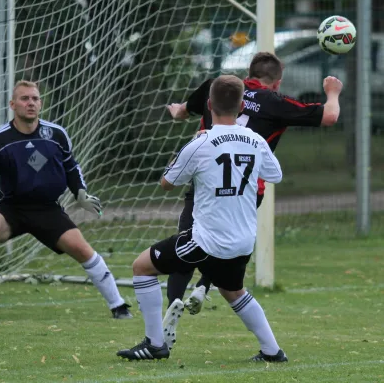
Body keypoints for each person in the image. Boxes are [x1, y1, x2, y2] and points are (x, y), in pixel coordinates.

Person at [164, 52, 343, 344]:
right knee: (227, 252)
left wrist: (176, 110)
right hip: (246, 192)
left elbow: (182, 112)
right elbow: (330, 116)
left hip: (204, 184)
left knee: (187, 240)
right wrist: (332, 92)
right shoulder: (276, 102)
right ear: (276, 82)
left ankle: (177, 299)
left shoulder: (218, 88)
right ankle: (206, 285)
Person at [0, 80, 132, 320]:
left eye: (35, 98)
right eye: (24, 99)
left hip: (48, 210)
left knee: (82, 248)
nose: (30, 103)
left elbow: (71, 167)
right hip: (10, 208)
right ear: (13, 104)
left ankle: (118, 306)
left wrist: (80, 193)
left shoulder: (56, 134)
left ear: (41, 103)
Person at [117, 75, 286, 362]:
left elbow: (167, 182)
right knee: (233, 291)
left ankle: (155, 343)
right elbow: (275, 175)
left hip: (206, 240)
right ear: (242, 105)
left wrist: (184, 156)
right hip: (243, 240)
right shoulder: (256, 140)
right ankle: (273, 351)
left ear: (208, 104)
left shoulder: (201, 142)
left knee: (141, 267)